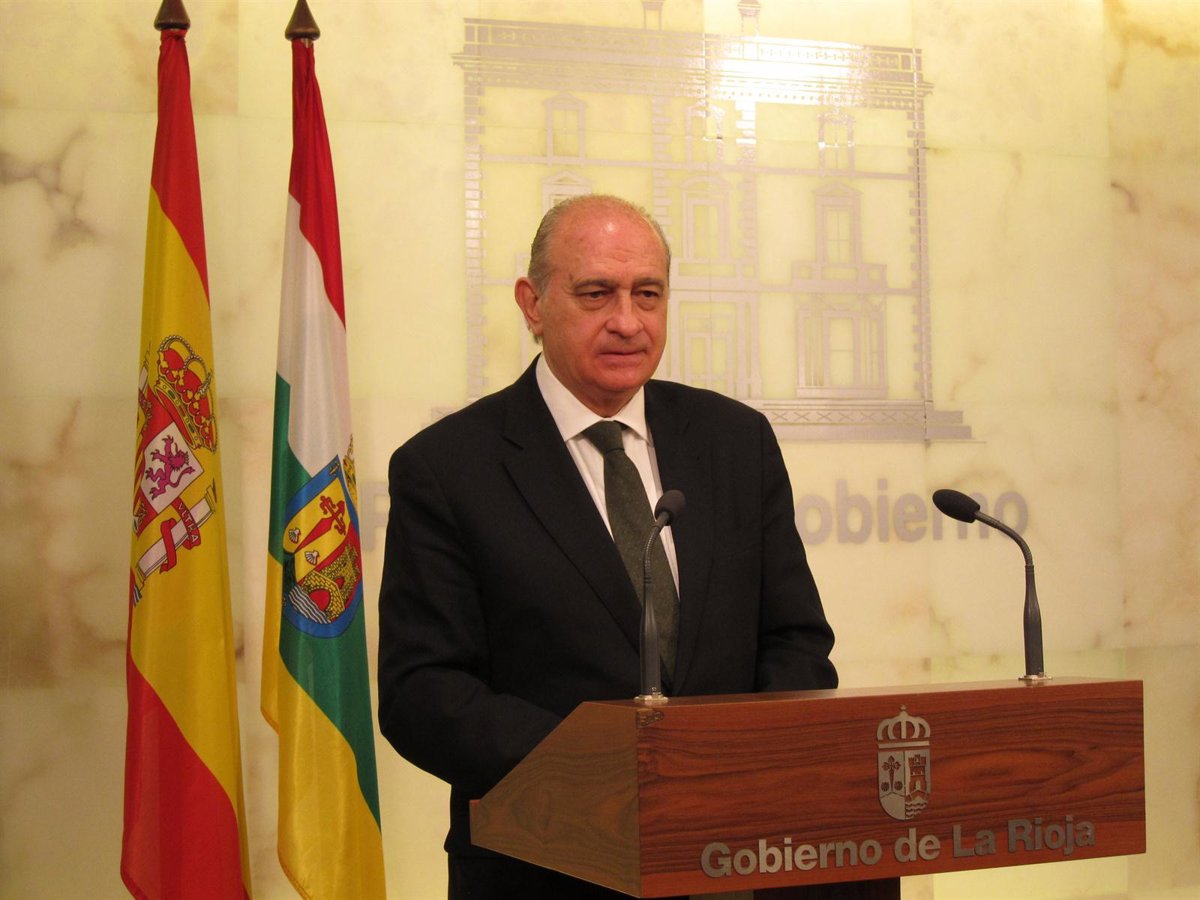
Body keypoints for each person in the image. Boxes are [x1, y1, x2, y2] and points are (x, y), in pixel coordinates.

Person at [378, 194, 839, 899]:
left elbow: (796, 640)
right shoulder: (448, 467)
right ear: (532, 305)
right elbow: (424, 692)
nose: (628, 321)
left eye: (647, 294)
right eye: (596, 294)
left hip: (735, 860)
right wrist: (610, 773)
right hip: (545, 866)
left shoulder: (735, 441)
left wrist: (741, 769)